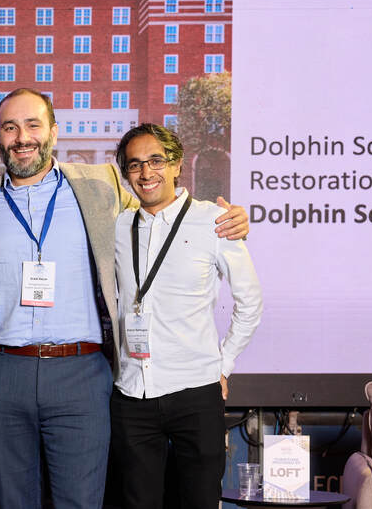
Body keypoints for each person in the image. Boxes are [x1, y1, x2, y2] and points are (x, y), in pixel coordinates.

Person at [0, 88, 249, 509]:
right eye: (10, 127)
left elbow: (162, 211)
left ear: (54, 131)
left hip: (81, 373)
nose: (22, 137)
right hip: (1, 372)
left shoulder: (100, 185)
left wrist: (225, 220)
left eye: (33, 125)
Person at [110, 123, 262, 509]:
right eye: (134, 164)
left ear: (177, 165)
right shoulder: (119, 226)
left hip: (196, 392)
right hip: (132, 393)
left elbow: (250, 302)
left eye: (156, 160)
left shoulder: (215, 220)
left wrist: (224, 365)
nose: (146, 172)